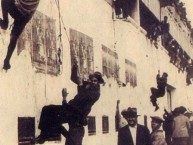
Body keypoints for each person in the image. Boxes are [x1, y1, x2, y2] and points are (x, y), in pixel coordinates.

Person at [35, 61, 105, 144]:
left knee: (54, 119)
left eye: (95, 81)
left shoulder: (96, 94)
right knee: (47, 109)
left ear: (98, 83)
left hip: (76, 114)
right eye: (92, 80)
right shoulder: (88, 85)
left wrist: (79, 86)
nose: (92, 82)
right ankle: (43, 137)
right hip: (70, 109)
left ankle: (44, 136)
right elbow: (74, 78)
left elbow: (81, 98)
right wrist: (75, 66)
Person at [0, 0, 40, 70]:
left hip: (19, 11)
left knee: (4, 1)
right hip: (26, 16)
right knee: (14, 37)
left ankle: (4, 23)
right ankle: (7, 61)